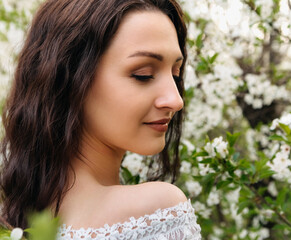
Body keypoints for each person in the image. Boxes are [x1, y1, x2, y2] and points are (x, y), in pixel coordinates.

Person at [0, 0, 201, 239]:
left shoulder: (14, 222)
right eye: (143, 75)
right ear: (70, 79)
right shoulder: (157, 211)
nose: (176, 100)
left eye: (176, 75)